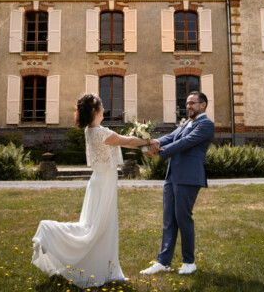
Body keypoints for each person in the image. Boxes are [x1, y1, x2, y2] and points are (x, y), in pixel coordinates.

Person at [32, 93, 150, 288]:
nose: (105, 109)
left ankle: (108, 269)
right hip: (103, 184)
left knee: (100, 227)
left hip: (100, 181)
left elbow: (125, 140)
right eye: (102, 106)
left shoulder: (92, 130)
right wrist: (147, 141)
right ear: (95, 110)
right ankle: (48, 230)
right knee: (96, 229)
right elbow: (127, 141)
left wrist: (143, 139)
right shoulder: (100, 133)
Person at [140, 91, 214, 276]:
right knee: (169, 220)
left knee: (183, 218)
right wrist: (154, 142)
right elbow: (172, 137)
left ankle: (189, 261)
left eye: (192, 103)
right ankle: (163, 262)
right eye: (187, 102)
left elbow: (186, 142)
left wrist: (159, 151)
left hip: (188, 177)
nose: (188, 106)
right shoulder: (186, 122)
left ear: (203, 105)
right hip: (172, 176)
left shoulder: (205, 125)